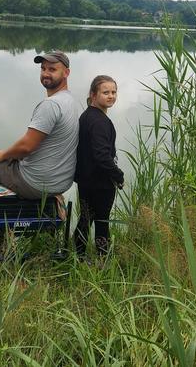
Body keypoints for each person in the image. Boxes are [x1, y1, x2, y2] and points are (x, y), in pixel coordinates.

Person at [0, 50, 80, 202]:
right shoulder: (70, 100)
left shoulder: (50, 105)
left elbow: (26, 147)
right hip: (61, 182)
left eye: (52, 69)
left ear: (66, 73)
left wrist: (2, 155)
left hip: (36, 183)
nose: (46, 73)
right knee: (8, 157)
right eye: (43, 69)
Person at [74, 75, 124, 257]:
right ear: (93, 94)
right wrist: (118, 175)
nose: (111, 96)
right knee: (102, 221)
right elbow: (102, 156)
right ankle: (104, 259)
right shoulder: (99, 122)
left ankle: (78, 256)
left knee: (86, 219)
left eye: (113, 92)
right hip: (100, 183)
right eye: (105, 92)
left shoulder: (87, 115)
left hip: (86, 180)